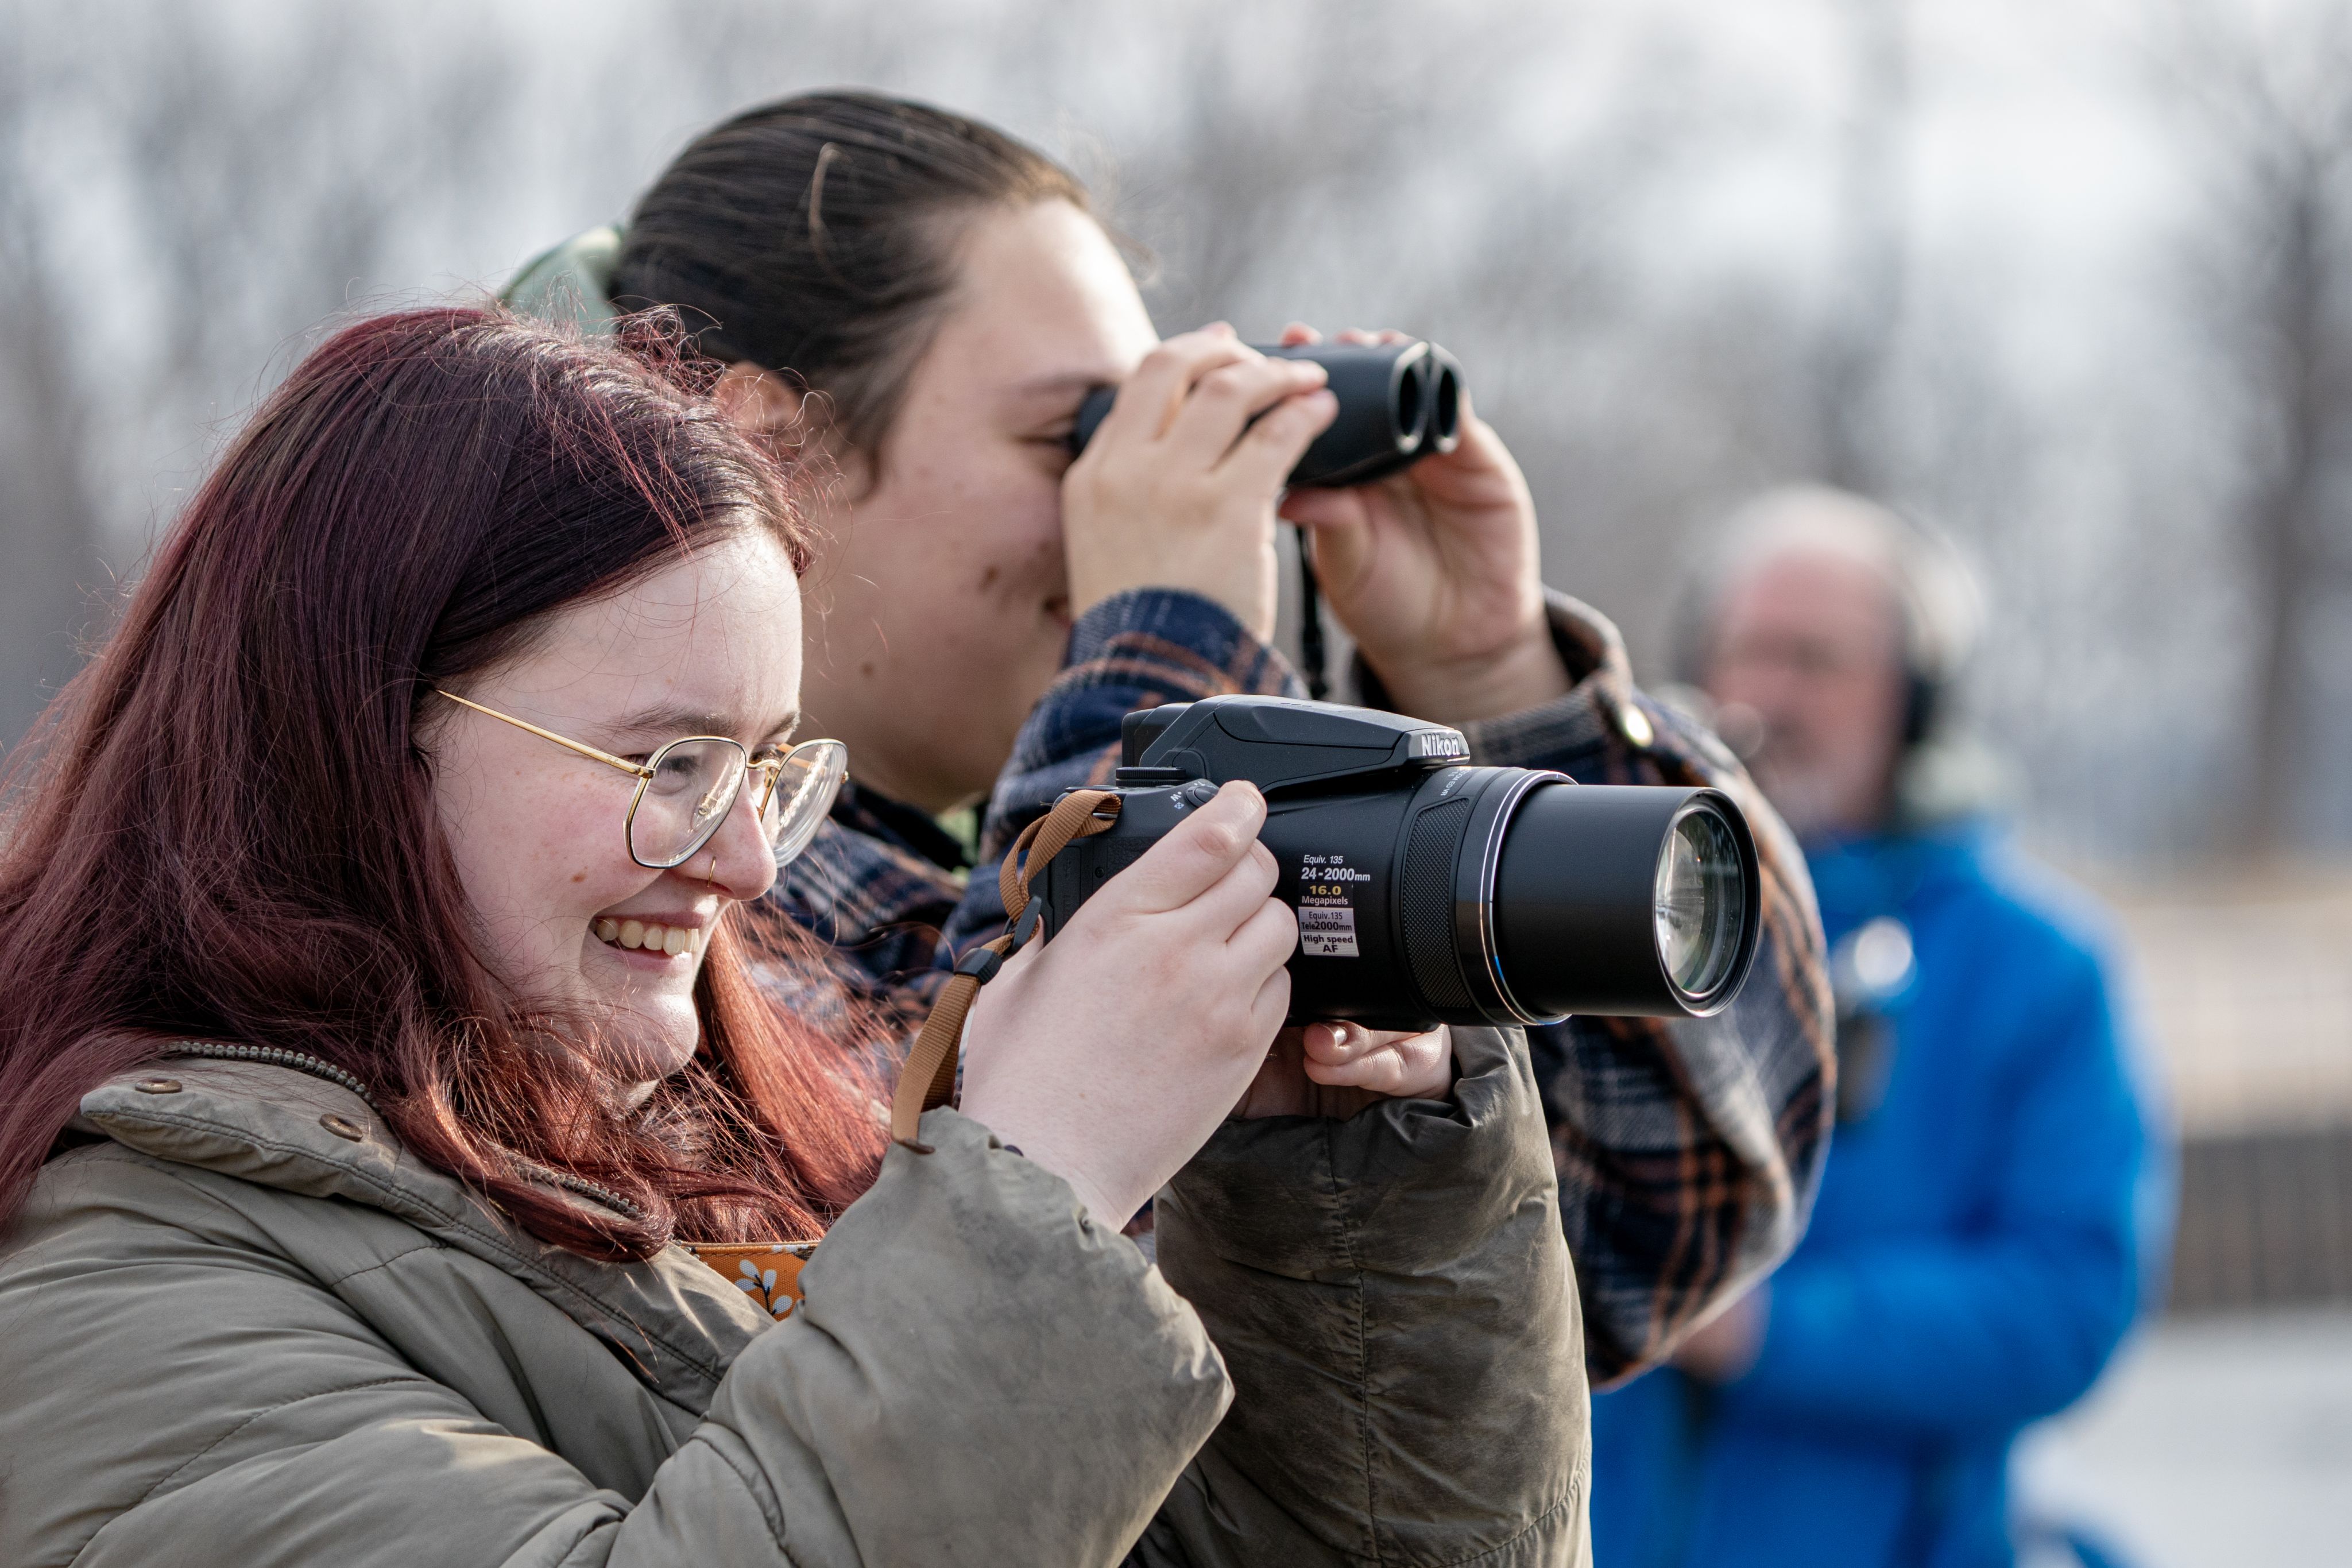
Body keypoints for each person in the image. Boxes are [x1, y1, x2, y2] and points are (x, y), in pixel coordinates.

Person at [0, 308, 1592, 1565]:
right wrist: (1033, 1185)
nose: (748, 857)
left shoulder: (712, 1148)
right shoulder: (109, 1297)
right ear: (351, 736)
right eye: (665, 763)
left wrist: (1343, 1179)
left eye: (767, 763)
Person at [506, 90, 1837, 1379]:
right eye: (1073, 438)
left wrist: (1490, 670)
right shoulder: (604, 903)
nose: (1130, 506)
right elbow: (953, 1281)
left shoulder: (977, 846)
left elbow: (1630, 1241)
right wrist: (1163, 646)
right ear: (767, 448)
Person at [1587, 486, 2170, 1568]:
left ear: (1918, 700)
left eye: (1818, 659)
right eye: (1747, 650)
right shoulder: (1605, 929)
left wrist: (1762, 1331)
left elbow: (2070, 1300)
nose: (1771, 693)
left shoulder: (2042, 968)